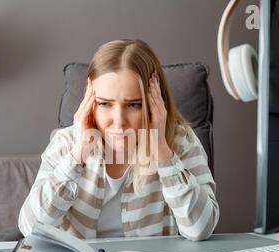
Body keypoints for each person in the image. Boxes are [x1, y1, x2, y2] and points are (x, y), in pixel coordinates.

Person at [19, 39, 219, 240]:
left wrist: (162, 150)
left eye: (134, 105)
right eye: (105, 103)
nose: (118, 121)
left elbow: (200, 229)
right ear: (89, 102)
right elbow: (30, 228)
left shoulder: (180, 141)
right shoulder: (67, 143)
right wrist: (78, 155)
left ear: (155, 101)